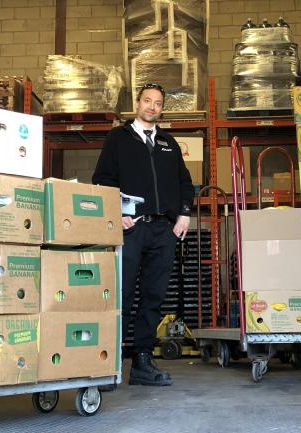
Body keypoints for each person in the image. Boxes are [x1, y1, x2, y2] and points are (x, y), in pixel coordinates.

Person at [92, 83, 194, 386]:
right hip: (131, 228)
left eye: (158, 103)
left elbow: (184, 182)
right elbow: (103, 179)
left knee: (153, 297)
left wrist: (184, 214)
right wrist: (118, 212)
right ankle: (107, 364)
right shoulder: (117, 139)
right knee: (120, 295)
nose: (152, 106)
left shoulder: (168, 142)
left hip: (163, 230)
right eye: (147, 101)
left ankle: (142, 363)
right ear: (138, 104)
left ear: (162, 108)